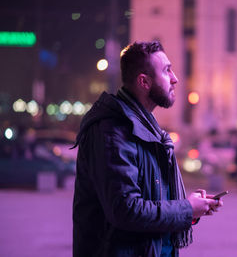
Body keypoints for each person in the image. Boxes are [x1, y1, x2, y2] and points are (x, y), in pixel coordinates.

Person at [72, 41, 222, 257]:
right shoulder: (113, 131)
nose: (175, 78)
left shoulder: (145, 128)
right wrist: (186, 208)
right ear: (144, 81)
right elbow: (126, 210)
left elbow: (152, 199)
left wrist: (192, 208)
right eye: (166, 70)